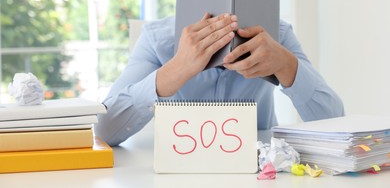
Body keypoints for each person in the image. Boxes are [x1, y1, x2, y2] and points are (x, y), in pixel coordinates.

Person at [94, 13, 344, 146]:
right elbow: (105, 130)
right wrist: (179, 67)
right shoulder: (158, 39)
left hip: (258, 171)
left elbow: (336, 124)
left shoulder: (275, 35)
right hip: (178, 168)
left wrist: (288, 66)